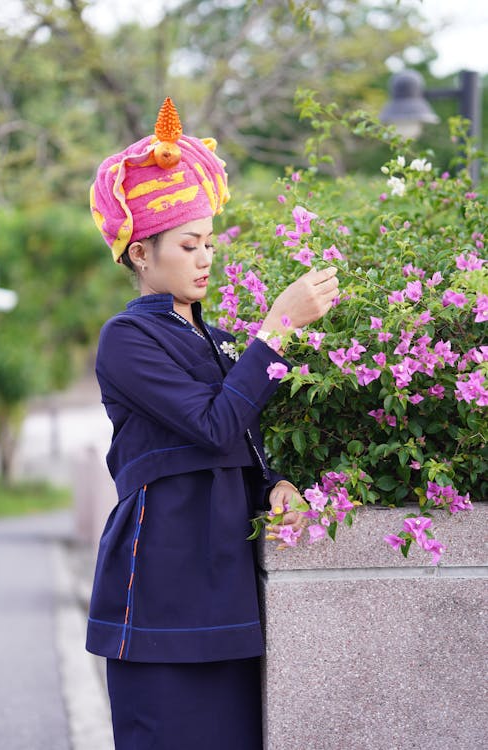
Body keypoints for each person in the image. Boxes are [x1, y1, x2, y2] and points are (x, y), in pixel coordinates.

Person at [87, 97, 339, 750]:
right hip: (162, 587)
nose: (205, 259)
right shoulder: (126, 340)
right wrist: (279, 325)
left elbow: (241, 444)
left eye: (209, 245)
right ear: (141, 253)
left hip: (225, 585)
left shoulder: (221, 340)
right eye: (188, 245)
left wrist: (275, 485)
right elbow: (213, 425)